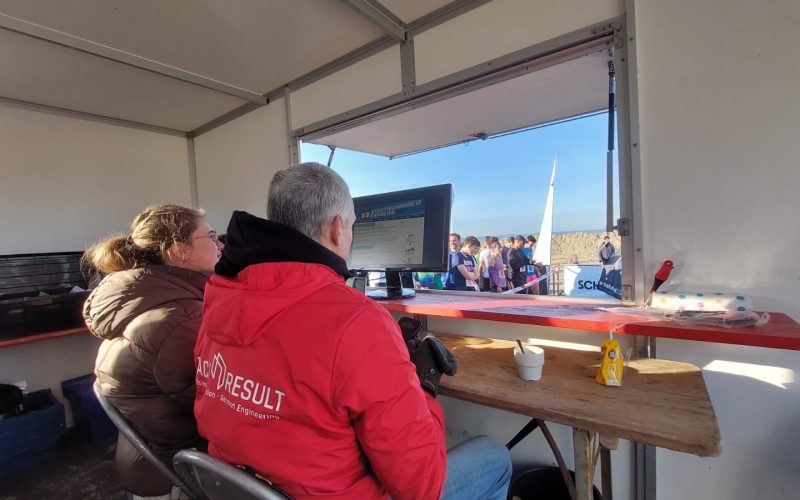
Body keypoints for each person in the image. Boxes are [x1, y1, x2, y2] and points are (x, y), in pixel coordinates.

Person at [194, 163, 510, 500]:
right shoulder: (357, 321)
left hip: (236, 488)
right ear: (337, 228)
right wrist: (424, 387)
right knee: (494, 457)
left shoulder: (220, 295)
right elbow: (421, 486)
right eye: (353, 225)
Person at [83, 203, 223, 498]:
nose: (220, 245)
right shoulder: (179, 319)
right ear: (179, 251)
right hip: (178, 474)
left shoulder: (142, 297)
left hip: (144, 456)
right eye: (211, 237)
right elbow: (223, 409)